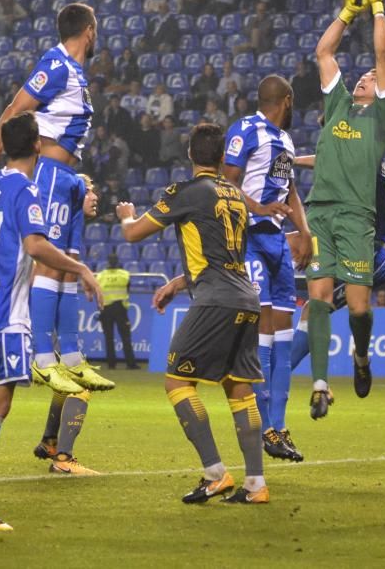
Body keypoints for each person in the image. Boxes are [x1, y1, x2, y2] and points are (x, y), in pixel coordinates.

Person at [0, 112, 103, 531]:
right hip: (5, 315)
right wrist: (81, 269)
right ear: (37, 146)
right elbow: (36, 245)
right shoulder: (25, 191)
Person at [0, 2, 115, 398]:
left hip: (65, 175)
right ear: (89, 30)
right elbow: (16, 109)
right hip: (47, 173)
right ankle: (44, 358)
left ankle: (69, 356)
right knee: (49, 263)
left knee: (68, 266)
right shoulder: (56, 64)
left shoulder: (76, 73)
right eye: (95, 30)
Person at [121, 122, 269, 505]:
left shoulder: (187, 192)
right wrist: (176, 283)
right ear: (223, 158)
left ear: (190, 155)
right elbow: (222, 255)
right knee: (239, 388)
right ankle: (256, 485)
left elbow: (134, 234)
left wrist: (125, 215)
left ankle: (215, 473)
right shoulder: (235, 196)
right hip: (246, 298)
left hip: (216, 301)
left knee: (177, 381)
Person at [305, 0, 385, 418]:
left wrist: (378, 9)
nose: (365, 77)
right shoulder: (338, 102)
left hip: (358, 217)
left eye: (371, 79)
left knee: (359, 307)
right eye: (361, 76)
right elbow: (324, 53)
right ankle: (321, 384)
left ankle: (361, 356)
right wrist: (347, 12)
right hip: (320, 211)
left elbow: (384, 58)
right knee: (318, 297)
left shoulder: (382, 119)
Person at [223, 74, 312, 463]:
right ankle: (261, 423)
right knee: (262, 330)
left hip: (277, 240)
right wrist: (257, 208)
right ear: (287, 100)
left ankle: (277, 425)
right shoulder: (245, 130)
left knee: (284, 335)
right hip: (251, 237)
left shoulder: (287, 142)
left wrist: (304, 231)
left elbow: (290, 190)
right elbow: (225, 183)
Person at [290, 158, 385, 386]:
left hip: (380, 252)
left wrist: (290, 159)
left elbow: (336, 164)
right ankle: (278, 376)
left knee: (340, 308)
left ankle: (360, 358)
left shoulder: (364, 155)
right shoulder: (355, 151)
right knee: (314, 308)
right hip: (357, 244)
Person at [33, 173, 105, 476]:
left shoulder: (68, 235)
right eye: (89, 191)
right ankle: (63, 458)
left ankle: (51, 441)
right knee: (80, 383)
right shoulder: (54, 236)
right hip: (25, 322)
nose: (95, 196)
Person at [96, 254, 139, 370]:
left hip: (106, 309)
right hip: (120, 309)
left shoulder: (100, 276)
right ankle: (131, 363)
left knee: (109, 337)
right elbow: (128, 289)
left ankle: (111, 364)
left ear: (108, 262)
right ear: (118, 262)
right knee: (126, 337)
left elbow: (98, 294)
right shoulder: (124, 275)